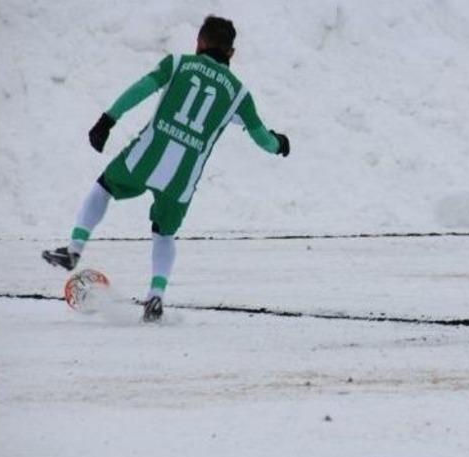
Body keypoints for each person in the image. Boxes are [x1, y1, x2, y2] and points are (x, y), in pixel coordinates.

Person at [43, 15, 290, 321]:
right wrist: (280, 144)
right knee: (164, 235)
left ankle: (74, 248)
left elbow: (141, 89)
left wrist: (107, 120)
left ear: (199, 41)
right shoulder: (238, 95)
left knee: (103, 187)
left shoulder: (178, 64)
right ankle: (156, 297)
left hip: (146, 157)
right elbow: (261, 138)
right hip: (182, 178)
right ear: (231, 53)